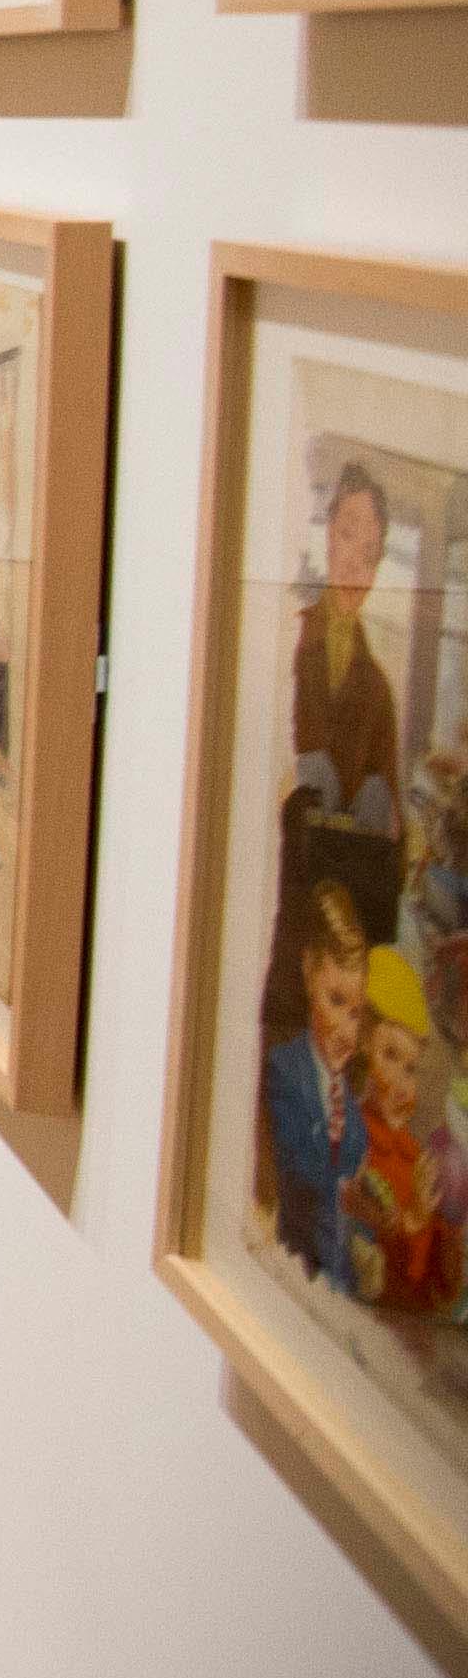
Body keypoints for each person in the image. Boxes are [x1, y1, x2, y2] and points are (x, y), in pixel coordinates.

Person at [342, 949, 463, 1316]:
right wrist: (413, 1221)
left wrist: (446, 1241)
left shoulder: (415, 1155)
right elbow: (373, 1278)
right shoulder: (352, 1142)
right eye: (390, 1056)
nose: (400, 1083)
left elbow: (437, 1285)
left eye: (410, 1069)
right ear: (363, 1050)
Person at [294, 464, 405, 832]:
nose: (355, 565)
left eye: (369, 554)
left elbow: (389, 816)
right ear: (328, 535)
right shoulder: (291, 629)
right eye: (346, 535)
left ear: (376, 572)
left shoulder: (378, 688)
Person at [267, 918, 372, 1282]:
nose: (346, 1029)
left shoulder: (354, 1117)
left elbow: (354, 1210)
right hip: (288, 1261)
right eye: (336, 1001)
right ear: (310, 978)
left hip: (334, 1276)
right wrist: (345, 1194)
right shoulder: (285, 1071)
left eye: (355, 1013)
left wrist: (369, 1237)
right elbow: (294, 1167)